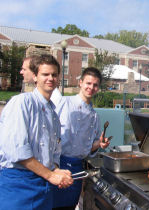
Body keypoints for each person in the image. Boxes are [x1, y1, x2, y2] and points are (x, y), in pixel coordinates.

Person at [0, 54, 73, 210]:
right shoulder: (22, 102)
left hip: (43, 186)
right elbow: (17, 151)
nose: (50, 78)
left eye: (54, 74)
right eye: (45, 74)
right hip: (18, 185)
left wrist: (56, 169)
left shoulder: (53, 114)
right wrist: (51, 175)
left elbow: (53, 152)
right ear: (35, 77)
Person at [52, 67, 110, 210]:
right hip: (57, 165)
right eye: (88, 83)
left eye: (95, 85)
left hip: (78, 168)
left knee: (70, 205)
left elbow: (86, 148)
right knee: (52, 205)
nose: (91, 87)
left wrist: (99, 144)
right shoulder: (64, 103)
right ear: (81, 83)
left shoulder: (94, 116)